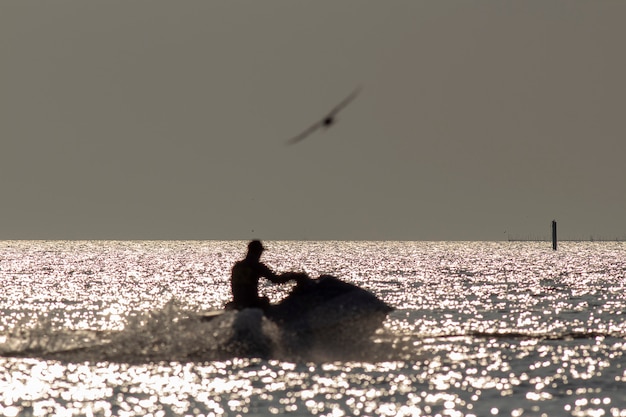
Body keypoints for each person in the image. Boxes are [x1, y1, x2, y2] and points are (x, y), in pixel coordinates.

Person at [227, 240, 306, 310]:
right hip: (251, 304)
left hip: (237, 303)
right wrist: (293, 276)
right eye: (260, 252)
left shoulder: (237, 266)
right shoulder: (256, 266)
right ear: (258, 252)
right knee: (265, 300)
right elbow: (276, 280)